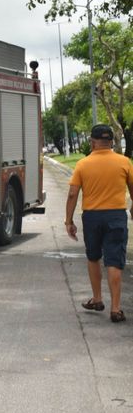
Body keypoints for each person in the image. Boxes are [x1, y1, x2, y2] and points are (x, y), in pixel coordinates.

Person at [65, 124, 133, 323]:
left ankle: (97, 299)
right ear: (111, 142)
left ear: (92, 142)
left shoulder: (83, 164)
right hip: (116, 216)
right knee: (114, 260)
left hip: (92, 217)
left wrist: (68, 220)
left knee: (93, 256)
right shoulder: (124, 162)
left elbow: (72, 194)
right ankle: (116, 309)